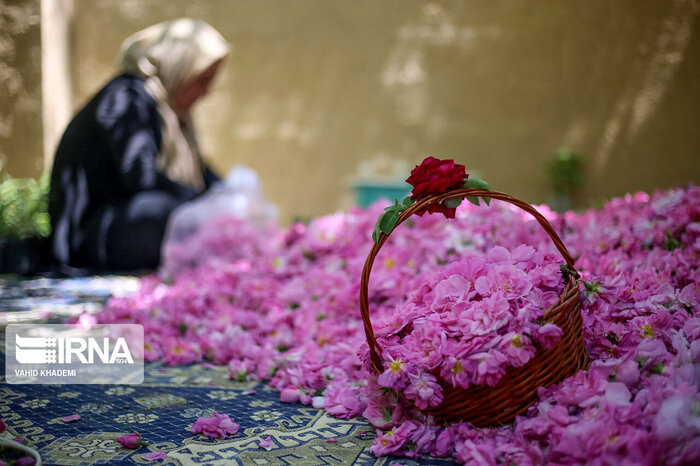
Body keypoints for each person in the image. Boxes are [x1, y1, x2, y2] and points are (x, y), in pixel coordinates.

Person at [48, 18, 230, 273]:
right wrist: (204, 202)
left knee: (202, 210)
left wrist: (228, 195)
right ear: (180, 68)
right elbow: (141, 178)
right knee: (165, 210)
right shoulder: (127, 99)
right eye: (203, 80)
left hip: (121, 224)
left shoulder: (172, 113)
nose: (206, 92)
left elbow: (202, 174)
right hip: (89, 237)